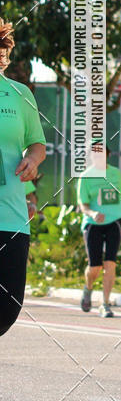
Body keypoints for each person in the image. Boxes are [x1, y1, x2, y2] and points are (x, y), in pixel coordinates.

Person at [0, 18, 46, 336]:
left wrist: (32, 159)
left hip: (11, 217)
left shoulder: (19, 94)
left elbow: (37, 144)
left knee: (7, 309)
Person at [77, 142, 121, 317]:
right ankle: (88, 288)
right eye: (95, 154)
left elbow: (119, 196)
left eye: (101, 154)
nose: (98, 157)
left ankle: (105, 304)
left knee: (110, 263)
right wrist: (93, 213)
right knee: (95, 267)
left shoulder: (115, 173)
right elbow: (83, 204)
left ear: (107, 155)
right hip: (93, 225)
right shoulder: (85, 176)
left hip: (114, 222)